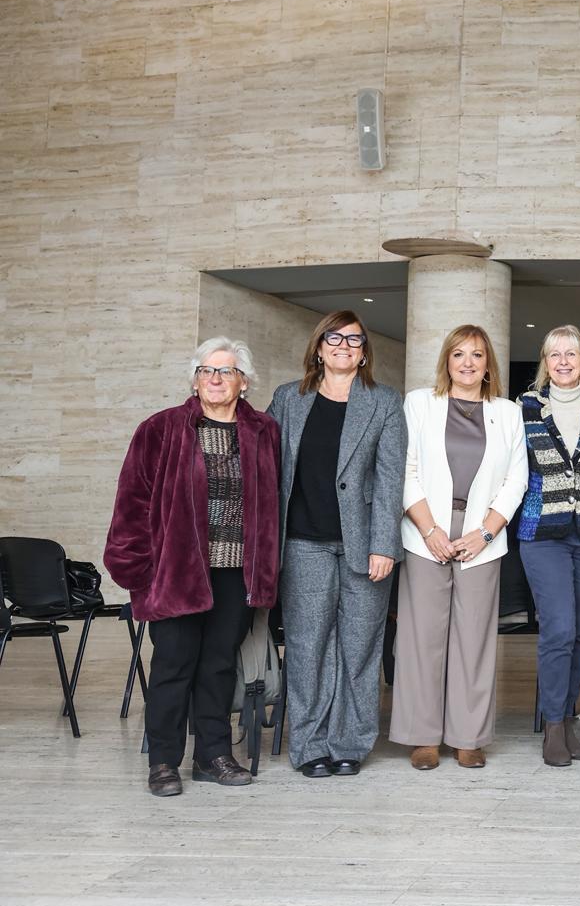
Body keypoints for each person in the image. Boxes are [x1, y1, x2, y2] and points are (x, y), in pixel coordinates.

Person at [104, 339, 280, 797]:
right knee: (172, 665)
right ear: (195, 378)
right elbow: (131, 503)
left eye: (225, 371)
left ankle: (213, 756)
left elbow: (272, 506)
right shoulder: (160, 429)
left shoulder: (264, 431)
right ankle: (164, 761)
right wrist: (137, 572)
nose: (215, 379)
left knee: (220, 666)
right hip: (176, 572)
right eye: (206, 370)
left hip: (235, 572)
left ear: (244, 381)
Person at [268, 310, 405, 778]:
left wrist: (385, 544)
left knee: (360, 647)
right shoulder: (289, 399)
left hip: (365, 545)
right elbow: (266, 464)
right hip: (302, 543)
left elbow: (390, 480)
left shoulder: (384, 402)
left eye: (354, 340)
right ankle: (309, 745)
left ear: (364, 352)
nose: (344, 346)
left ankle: (350, 742)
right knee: (308, 648)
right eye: (334, 338)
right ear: (319, 347)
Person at [391, 326, 527, 771]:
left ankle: (468, 736)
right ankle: (423, 736)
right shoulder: (418, 403)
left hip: (481, 537)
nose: (467, 363)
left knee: (474, 639)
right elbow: (405, 470)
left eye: (477, 355)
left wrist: (485, 532)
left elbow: (516, 479)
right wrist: (430, 530)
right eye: (458, 355)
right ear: (446, 362)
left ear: (489, 365)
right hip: (425, 529)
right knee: (422, 638)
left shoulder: (507, 412)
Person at [517, 325, 580, 767]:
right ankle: (553, 724)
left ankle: (568, 717)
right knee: (558, 628)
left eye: (572, 353)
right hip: (542, 533)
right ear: (545, 362)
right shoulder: (524, 407)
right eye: (556, 355)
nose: (564, 362)